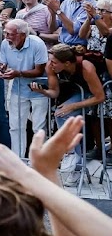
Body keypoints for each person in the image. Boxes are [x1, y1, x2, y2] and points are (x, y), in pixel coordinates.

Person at [30, 43, 104, 186]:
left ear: (67, 63)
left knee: (63, 113)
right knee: (60, 113)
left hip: (96, 88)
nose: (50, 64)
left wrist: (72, 106)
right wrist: (43, 92)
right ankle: (73, 156)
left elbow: (99, 96)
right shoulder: (51, 66)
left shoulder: (86, 67)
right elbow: (55, 92)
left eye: (54, 62)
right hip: (78, 89)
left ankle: (73, 157)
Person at [0, 19, 49, 158]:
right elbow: (1, 63)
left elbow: (39, 71)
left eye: (10, 34)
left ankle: (38, 161)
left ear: (22, 35)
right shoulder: (5, 44)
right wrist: (1, 70)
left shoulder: (37, 44)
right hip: (18, 89)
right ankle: (17, 159)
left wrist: (18, 73)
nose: (6, 36)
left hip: (39, 90)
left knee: (38, 128)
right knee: (15, 126)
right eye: (5, 33)